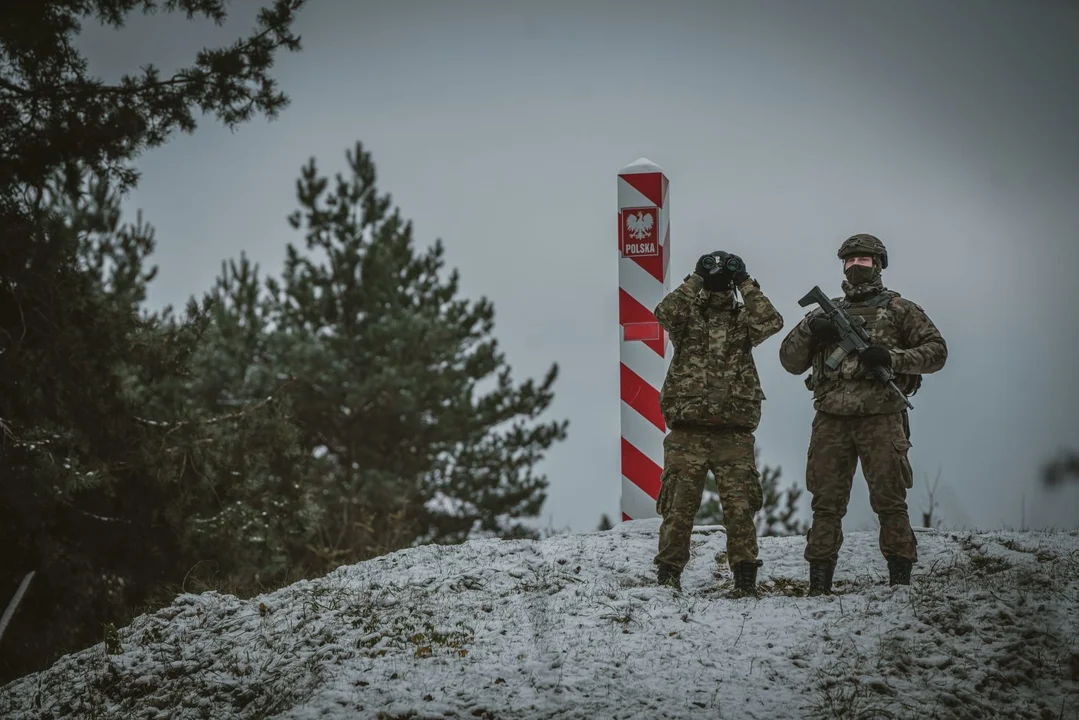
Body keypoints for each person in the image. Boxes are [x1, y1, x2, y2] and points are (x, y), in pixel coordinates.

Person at [778, 233, 947, 595]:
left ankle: (900, 577)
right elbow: (789, 360)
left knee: (889, 500)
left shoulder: (901, 309)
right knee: (825, 502)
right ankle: (819, 580)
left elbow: (937, 352)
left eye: (864, 261)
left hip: (881, 417)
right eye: (850, 261)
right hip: (831, 419)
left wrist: (893, 358)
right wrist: (811, 330)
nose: (856, 267)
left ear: (879, 265)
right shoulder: (823, 312)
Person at [652, 250, 784, 595]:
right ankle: (667, 576)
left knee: (740, 510)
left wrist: (744, 281)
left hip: (733, 433)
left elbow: (771, 321)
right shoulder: (688, 316)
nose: (716, 277)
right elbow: (664, 314)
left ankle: (744, 577)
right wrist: (695, 278)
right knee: (678, 508)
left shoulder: (743, 320)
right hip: (687, 431)